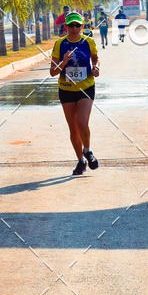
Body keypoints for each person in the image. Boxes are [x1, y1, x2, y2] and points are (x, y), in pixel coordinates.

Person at [50, 11, 100, 175]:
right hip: (66, 89)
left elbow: (96, 58)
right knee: (73, 129)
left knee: (82, 122)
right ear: (66, 27)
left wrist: (96, 67)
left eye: (77, 25)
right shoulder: (59, 44)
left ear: (82, 26)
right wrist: (64, 61)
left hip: (85, 87)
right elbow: (52, 72)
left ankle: (87, 150)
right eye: (71, 25)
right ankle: (80, 160)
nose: (74, 28)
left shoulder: (89, 42)